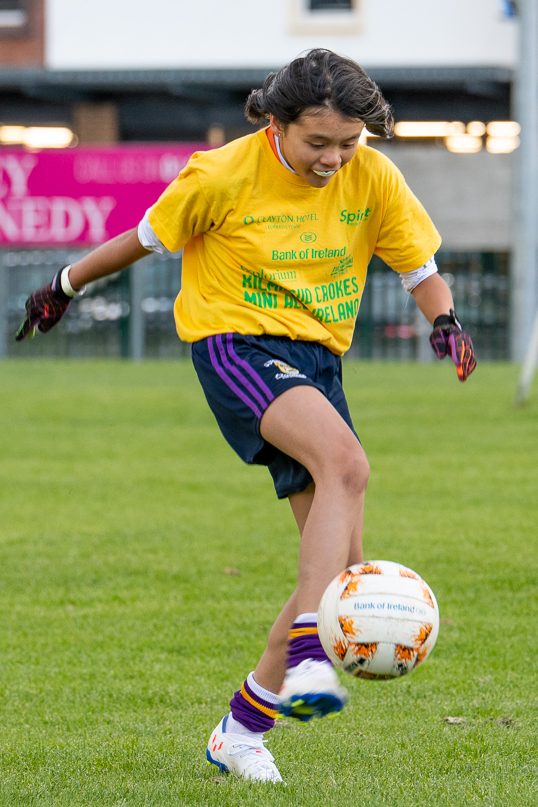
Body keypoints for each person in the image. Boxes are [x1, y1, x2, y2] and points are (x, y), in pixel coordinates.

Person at [16, 49, 476, 784]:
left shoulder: (372, 174)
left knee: (338, 580)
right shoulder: (221, 174)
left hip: (317, 364)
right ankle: (305, 657)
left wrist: (444, 319)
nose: (332, 158)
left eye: (347, 143)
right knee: (348, 465)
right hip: (235, 344)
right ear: (276, 124)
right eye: (316, 142)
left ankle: (241, 729)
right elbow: (143, 239)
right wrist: (64, 284)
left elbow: (419, 267)